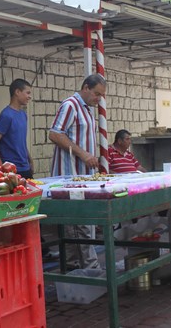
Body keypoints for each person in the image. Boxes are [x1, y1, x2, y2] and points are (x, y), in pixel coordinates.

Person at [49, 74, 106, 269]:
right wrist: (82, 154)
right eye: (96, 94)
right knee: (78, 224)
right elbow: (55, 134)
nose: (98, 99)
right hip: (69, 176)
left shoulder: (87, 110)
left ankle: (77, 268)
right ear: (86, 88)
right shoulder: (70, 105)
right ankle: (88, 268)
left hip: (84, 177)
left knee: (82, 224)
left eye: (101, 96)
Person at [0, 79, 33, 179]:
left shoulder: (23, 115)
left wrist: (30, 160)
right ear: (17, 92)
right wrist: (0, 168)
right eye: (27, 93)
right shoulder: (6, 115)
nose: (29, 96)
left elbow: (21, 142)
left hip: (26, 168)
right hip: (11, 171)